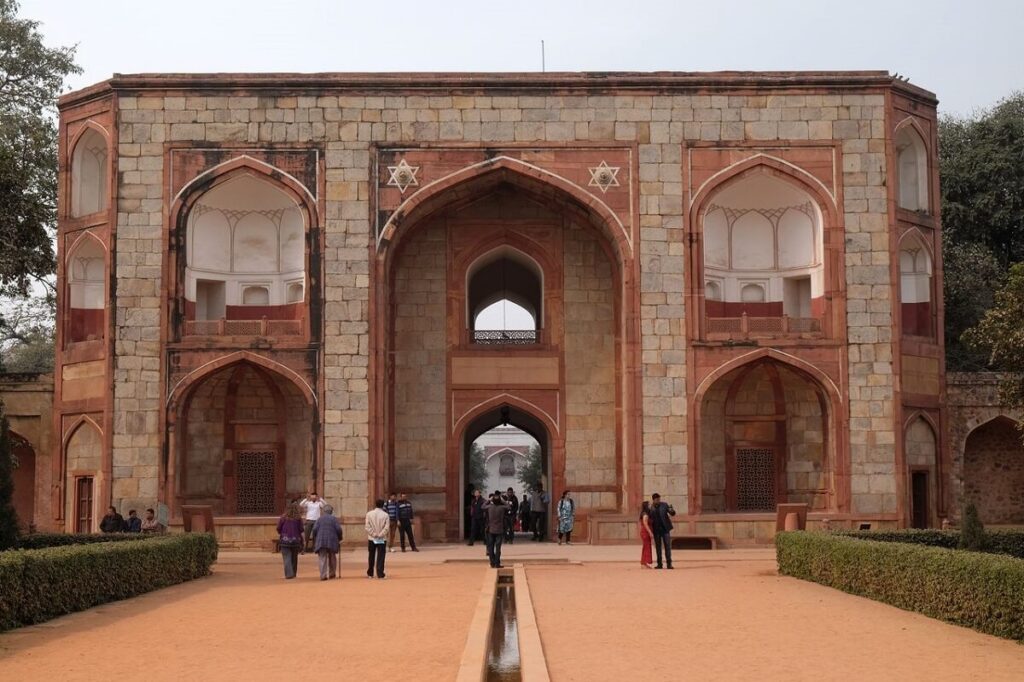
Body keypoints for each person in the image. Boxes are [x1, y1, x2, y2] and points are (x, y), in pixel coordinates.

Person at [312, 504, 343, 580]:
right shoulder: (334, 519)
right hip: (332, 540)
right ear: (331, 511)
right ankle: (332, 573)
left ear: (323, 511)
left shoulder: (319, 519)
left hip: (321, 540)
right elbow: (339, 529)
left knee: (322, 557)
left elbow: (314, 529)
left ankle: (323, 575)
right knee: (332, 557)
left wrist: (316, 537)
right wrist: (340, 538)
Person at [276, 502, 305, 579]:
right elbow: (301, 529)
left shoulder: (283, 518)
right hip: (295, 541)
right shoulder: (298, 519)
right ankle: (293, 573)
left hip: (285, 540)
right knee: (294, 558)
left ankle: (289, 574)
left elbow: (278, 528)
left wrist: (282, 533)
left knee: (287, 558)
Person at [365, 499, 390, 579]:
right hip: (381, 538)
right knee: (381, 556)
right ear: (383, 505)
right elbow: (387, 527)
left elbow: (367, 526)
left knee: (371, 555)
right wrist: (380, 535)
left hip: (372, 538)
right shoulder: (385, 515)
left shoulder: (369, 514)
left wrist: (374, 534)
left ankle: (370, 573)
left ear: (375, 504)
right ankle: (380, 573)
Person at [650, 493, 676, 570]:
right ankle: (659, 564)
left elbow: (672, 513)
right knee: (658, 548)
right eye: (657, 499)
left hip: (665, 529)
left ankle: (669, 564)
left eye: (659, 499)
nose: (658, 501)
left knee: (667, 547)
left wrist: (672, 510)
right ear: (653, 500)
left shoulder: (664, 505)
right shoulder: (651, 508)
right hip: (656, 530)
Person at [484, 491, 508, 568]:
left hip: (491, 530)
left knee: (491, 547)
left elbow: (482, 506)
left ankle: (492, 563)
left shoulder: (489, 507)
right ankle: (497, 563)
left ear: (493, 501)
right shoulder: (502, 508)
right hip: (499, 530)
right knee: (498, 548)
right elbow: (508, 506)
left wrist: (489, 500)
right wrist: (503, 500)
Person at [639, 501, 654, 569]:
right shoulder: (645, 514)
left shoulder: (646, 513)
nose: (650, 505)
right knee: (646, 547)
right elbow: (645, 524)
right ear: (646, 506)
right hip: (645, 532)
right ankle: (643, 563)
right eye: (649, 504)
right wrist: (650, 532)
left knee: (646, 547)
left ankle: (644, 563)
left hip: (645, 532)